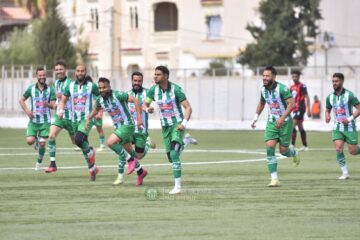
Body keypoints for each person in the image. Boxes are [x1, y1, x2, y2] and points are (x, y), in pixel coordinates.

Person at [85, 77, 147, 185]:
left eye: (104, 87)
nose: (101, 90)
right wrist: (88, 118)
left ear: (109, 87)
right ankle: (141, 172)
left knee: (110, 142)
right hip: (118, 127)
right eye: (99, 88)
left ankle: (130, 161)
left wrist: (139, 119)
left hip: (128, 125)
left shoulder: (118, 95)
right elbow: (95, 109)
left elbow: (135, 100)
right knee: (134, 154)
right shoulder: (100, 100)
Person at [144, 66, 192, 194]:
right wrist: (147, 109)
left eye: (158, 74)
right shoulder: (153, 90)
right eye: (154, 74)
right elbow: (145, 104)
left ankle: (177, 187)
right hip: (165, 127)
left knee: (174, 154)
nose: (155, 76)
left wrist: (184, 123)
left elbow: (188, 108)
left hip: (177, 125)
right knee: (171, 157)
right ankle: (185, 141)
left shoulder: (176, 89)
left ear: (166, 76)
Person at [251, 66, 300, 187]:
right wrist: (255, 117)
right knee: (270, 147)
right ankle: (274, 179)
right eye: (263, 76)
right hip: (272, 123)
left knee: (283, 151)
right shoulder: (263, 90)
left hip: (285, 123)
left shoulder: (282, 89)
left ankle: (294, 153)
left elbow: (292, 104)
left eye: (267, 76)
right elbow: (262, 103)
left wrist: (282, 118)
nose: (264, 78)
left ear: (273, 76)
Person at [58, 64, 99, 181]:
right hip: (74, 120)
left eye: (82, 71)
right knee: (82, 143)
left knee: (78, 140)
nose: (80, 73)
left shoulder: (92, 86)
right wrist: (60, 111)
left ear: (85, 72)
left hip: (86, 119)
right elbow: (63, 100)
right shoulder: (70, 86)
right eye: (78, 71)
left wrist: (99, 110)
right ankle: (92, 169)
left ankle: (91, 152)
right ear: (75, 73)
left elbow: (99, 98)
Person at [19, 67, 56, 171]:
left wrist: (48, 104)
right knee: (29, 141)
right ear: (37, 76)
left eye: (44, 75)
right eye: (40, 75)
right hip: (33, 121)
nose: (42, 77)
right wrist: (27, 111)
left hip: (45, 121)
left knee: (43, 143)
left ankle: (38, 163)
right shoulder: (31, 88)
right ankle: (35, 140)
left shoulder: (50, 89)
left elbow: (54, 106)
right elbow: (21, 100)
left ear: (46, 76)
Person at [325, 73, 360, 180]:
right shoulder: (330, 97)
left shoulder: (349, 95)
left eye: (336, 81)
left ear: (342, 81)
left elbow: (359, 108)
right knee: (338, 148)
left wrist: (349, 119)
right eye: (333, 81)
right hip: (337, 127)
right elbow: (328, 109)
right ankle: (345, 173)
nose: (334, 83)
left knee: (352, 151)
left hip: (350, 127)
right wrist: (327, 116)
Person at [46, 60, 76, 173]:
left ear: (65, 70)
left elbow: (67, 98)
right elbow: (57, 101)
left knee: (77, 142)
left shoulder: (70, 83)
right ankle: (53, 164)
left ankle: (90, 153)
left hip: (71, 117)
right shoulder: (56, 83)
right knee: (51, 135)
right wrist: (50, 105)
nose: (59, 71)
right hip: (60, 117)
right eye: (57, 69)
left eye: (61, 69)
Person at [290, 70, 311, 151]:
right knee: (300, 126)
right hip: (294, 109)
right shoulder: (291, 87)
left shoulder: (302, 86)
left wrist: (309, 109)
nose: (294, 78)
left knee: (293, 125)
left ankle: (292, 145)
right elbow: (290, 99)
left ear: (299, 77)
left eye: (296, 76)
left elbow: (307, 97)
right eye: (293, 76)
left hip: (301, 108)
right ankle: (305, 146)